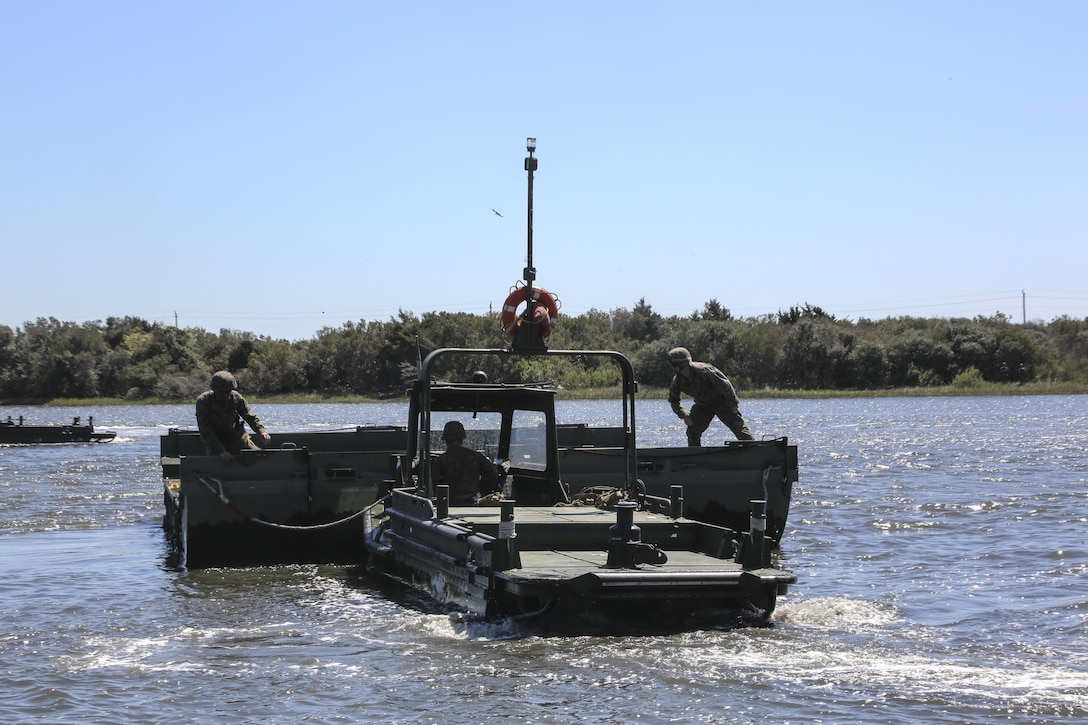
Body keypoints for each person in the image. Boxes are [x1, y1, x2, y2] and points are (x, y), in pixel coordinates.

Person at [666, 347, 754, 445]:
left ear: (683, 364)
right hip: (702, 405)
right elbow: (673, 400)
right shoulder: (677, 381)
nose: (672, 368)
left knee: (739, 429)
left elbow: (725, 385)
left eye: (674, 365)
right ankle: (695, 454)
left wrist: (733, 404)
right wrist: (684, 415)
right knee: (692, 431)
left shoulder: (703, 371)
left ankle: (755, 449)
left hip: (722, 402)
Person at [195, 370, 271, 463]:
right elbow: (205, 429)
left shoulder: (236, 397)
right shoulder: (204, 401)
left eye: (230, 390)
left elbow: (249, 415)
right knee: (217, 463)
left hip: (237, 436)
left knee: (258, 456)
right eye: (225, 392)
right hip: (216, 440)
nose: (228, 394)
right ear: (216, 391)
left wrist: (261, 431)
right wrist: (220, 451)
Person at [432, 420, 507, 505]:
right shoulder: (476, 456)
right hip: (471, 502)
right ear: (462, 438)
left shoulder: (440, 460)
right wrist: (483, 490)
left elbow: (434, 484)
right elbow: (492, 472)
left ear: (445, 439)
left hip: (447, 503)